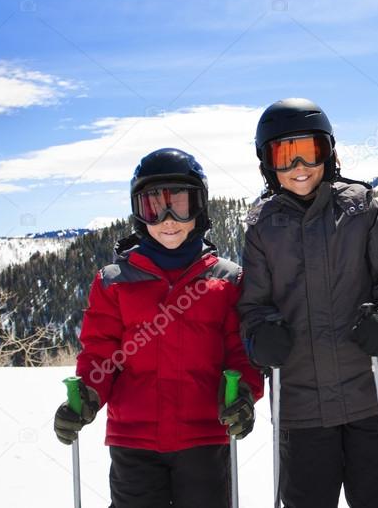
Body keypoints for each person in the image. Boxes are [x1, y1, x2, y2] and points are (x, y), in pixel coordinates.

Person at [53, 147, 263, 507]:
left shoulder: (226, 280)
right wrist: (87, 394)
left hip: (205, 438)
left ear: (199, 208)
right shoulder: (113, 282)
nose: (168, 219)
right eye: (154, 207)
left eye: (179, 205)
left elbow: (240, 351)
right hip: (135, 442)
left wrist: (242, 393)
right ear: (139, 213)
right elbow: (100, 353)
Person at [238, 98, 378, 508]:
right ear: (268, 164)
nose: (299, 166)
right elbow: (253, 305)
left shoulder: (361, 209)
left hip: (371, 396)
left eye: (310, 151)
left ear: (329, 153)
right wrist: (260, 335)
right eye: (284, 155)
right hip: (301, 408)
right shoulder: (263, 228)